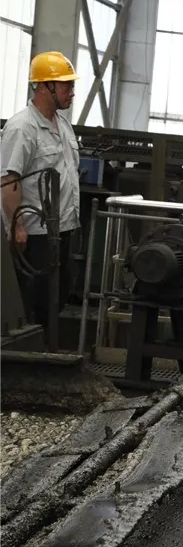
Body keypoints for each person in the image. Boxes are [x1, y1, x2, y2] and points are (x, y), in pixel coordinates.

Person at [0, 51, 81, 347]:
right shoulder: (22, 127)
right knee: (32, 301)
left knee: (56, 298)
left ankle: (48, 352)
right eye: (66, 85)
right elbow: (8, 179)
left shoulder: (63, 125)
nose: (71, 92)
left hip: (63, 229)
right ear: (45, 87)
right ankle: (28, 356)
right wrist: (18, 226)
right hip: (34, 234)